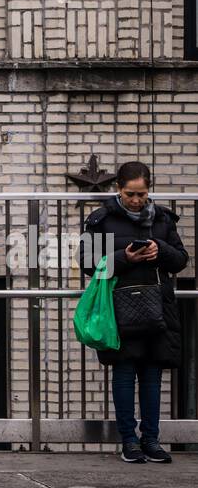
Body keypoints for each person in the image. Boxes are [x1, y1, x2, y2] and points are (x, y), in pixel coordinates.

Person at [81, 161, 188, 464]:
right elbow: (87, 262)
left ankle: (151, 440)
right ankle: (129, 441)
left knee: (152, 375)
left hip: (157, 307)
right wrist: (124, 257)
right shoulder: (102, 219)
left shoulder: (163, 219)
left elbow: (181, 260)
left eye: (142, 194)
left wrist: (160, 250)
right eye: (130, 194)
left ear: (149, 190)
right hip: (119, 307)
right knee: (124, 374)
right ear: (118, 188)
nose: (136, 200)